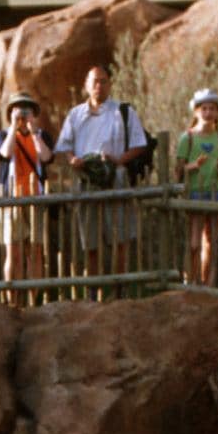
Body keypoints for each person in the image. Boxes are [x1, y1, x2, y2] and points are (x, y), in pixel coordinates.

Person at [55, 64, 150, 292]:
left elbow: (139, 145)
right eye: (95, 81)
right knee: (91, 241)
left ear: (110, 84)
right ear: (86, 85)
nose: (99, 86)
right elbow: (65, 146)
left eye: (104, 81)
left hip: (115, 180)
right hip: (87, 181)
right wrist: (73, 160)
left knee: (120, 238)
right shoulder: (75, 115)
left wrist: (118, 160)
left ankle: (120, 293)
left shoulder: (123, 112)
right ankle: (94, 294)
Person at [0, 92, 54, 302]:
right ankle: (12, 300)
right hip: (12, 201)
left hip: (36, 199)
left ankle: (33, 300)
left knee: (36, 251)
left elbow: (46, 157)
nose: (22, 113)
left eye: (26, 109)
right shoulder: (3, 135)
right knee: (14, 253)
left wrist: (34, 132)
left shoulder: (42, 136)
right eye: (17, 109)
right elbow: (5, 153)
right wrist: (13, 127)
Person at [175, 87, 218, 287]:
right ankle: (191, 278)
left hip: (215, 192)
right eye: (204, 108)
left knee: (212, 242)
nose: (208, 113)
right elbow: (178, 169)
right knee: (194, 242)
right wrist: (194, 166)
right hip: (195, 192)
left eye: (212, 109)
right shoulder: (187, 138)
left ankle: (209, 282)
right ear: (196, 111)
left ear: (217, 112)